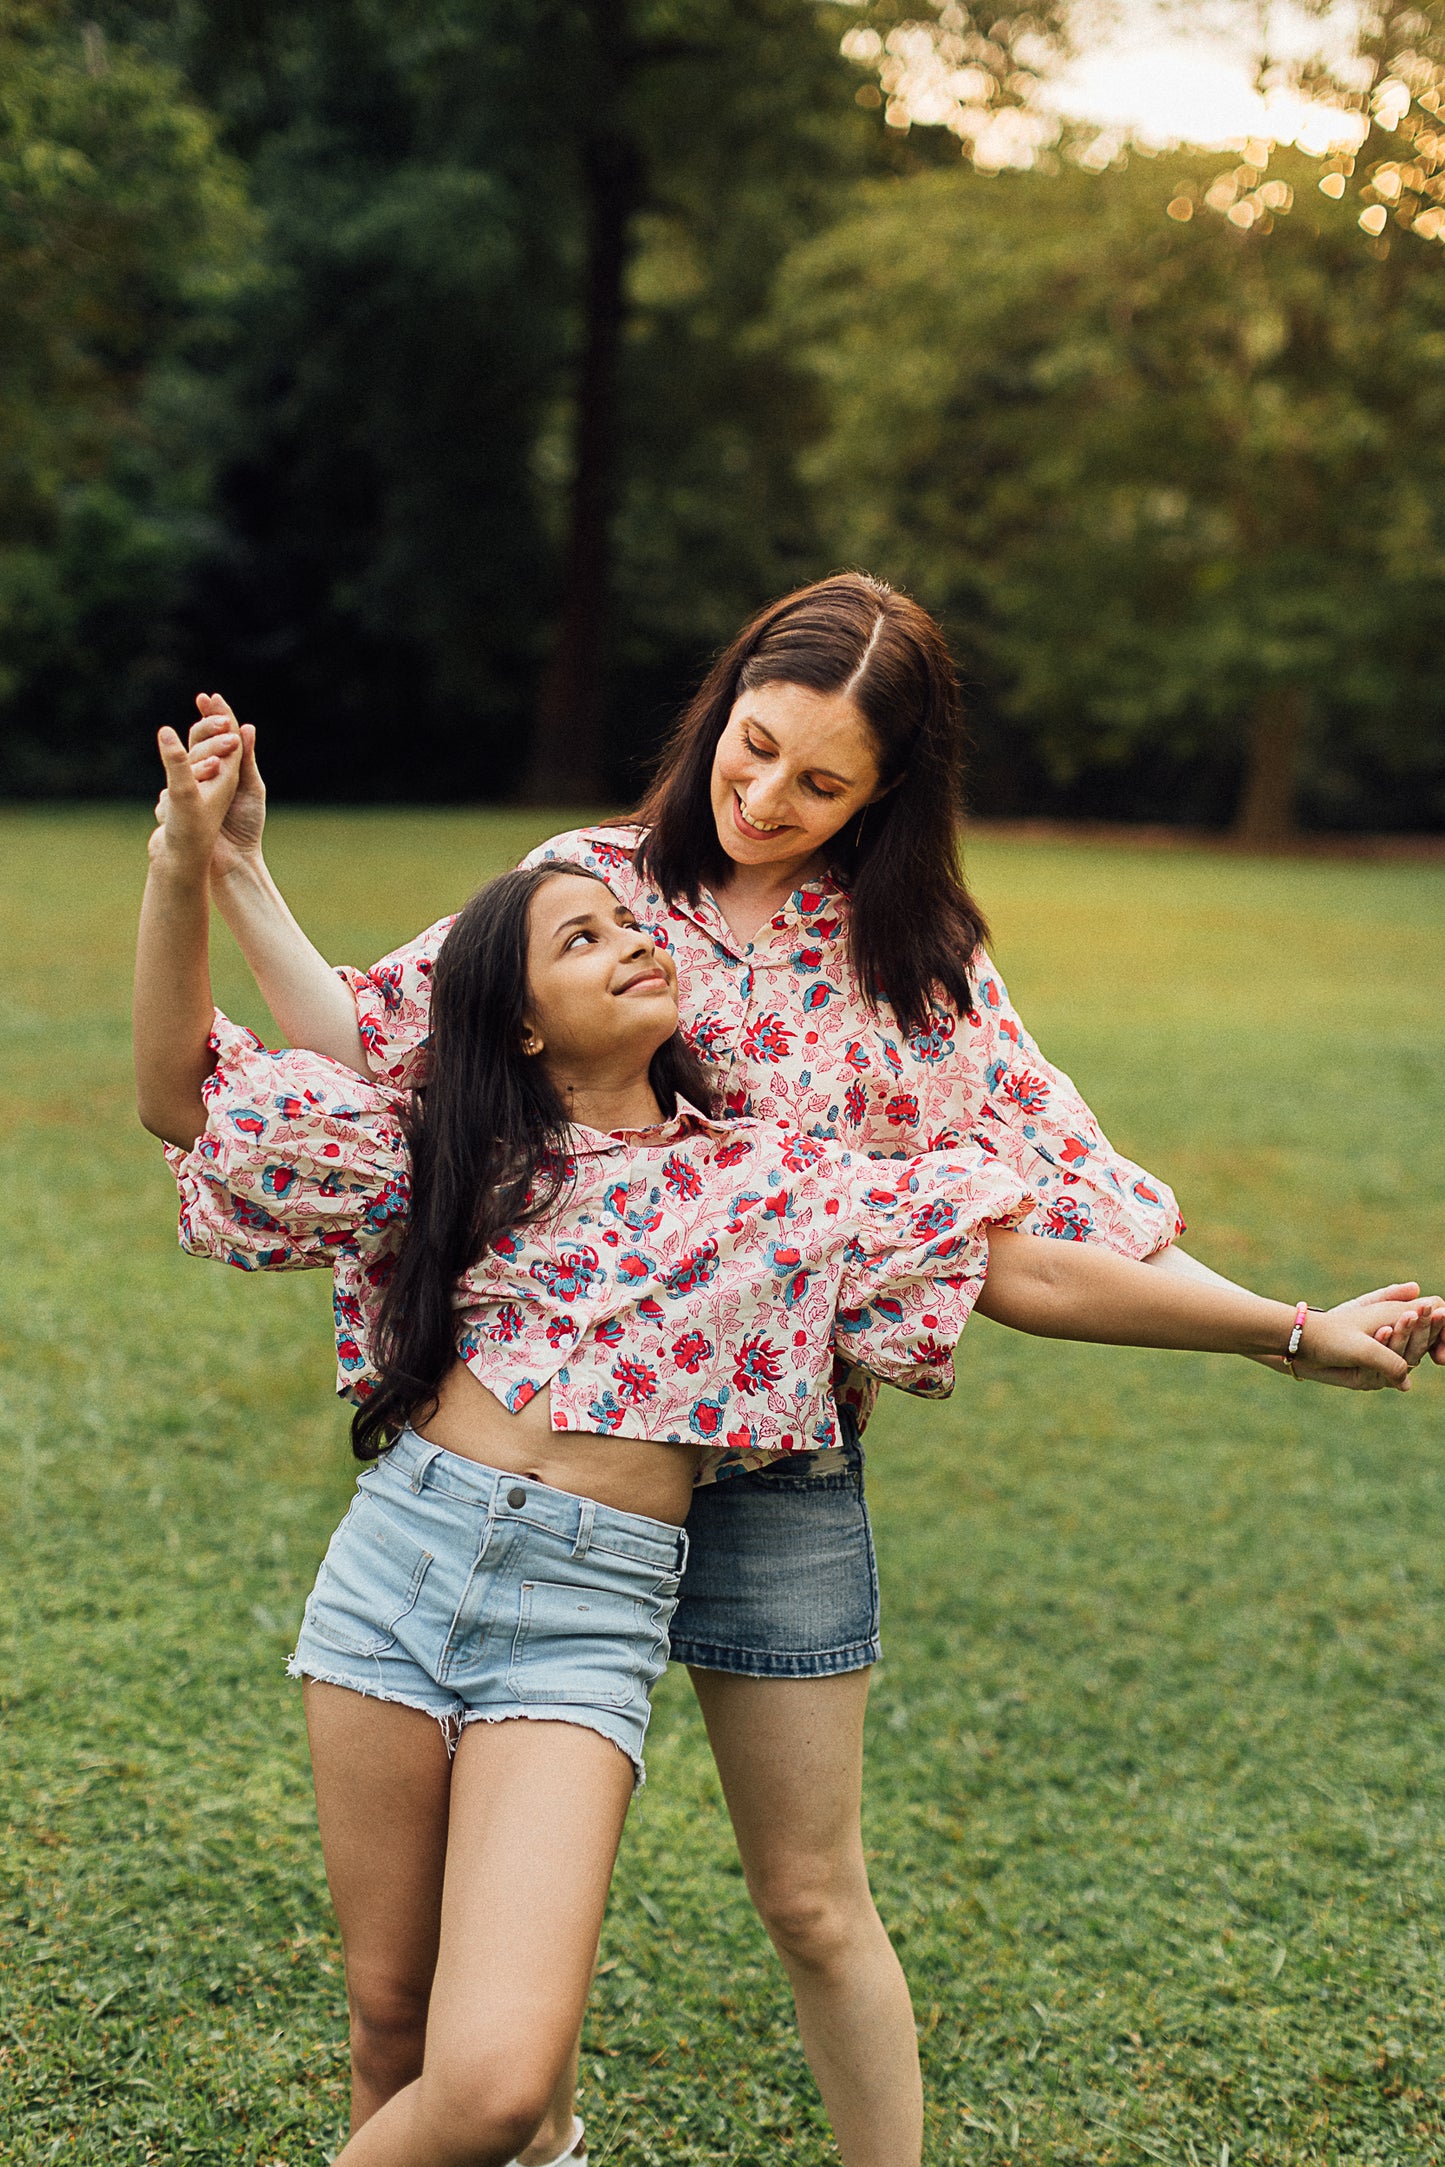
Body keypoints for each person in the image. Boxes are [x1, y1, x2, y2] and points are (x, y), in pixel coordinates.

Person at [160, 574, 1444, 2167]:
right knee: (446, 1996)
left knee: (812, 1898)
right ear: (718, 714)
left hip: (777, 1483)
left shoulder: (921, 964)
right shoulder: (591, 884)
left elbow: (1040, 1224)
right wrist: (240, 879)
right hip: (543, 1467)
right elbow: (395, 1052)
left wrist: (1284, 1325)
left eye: (819, 782)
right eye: (750, 752)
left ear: (886, 791)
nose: (765, 801)